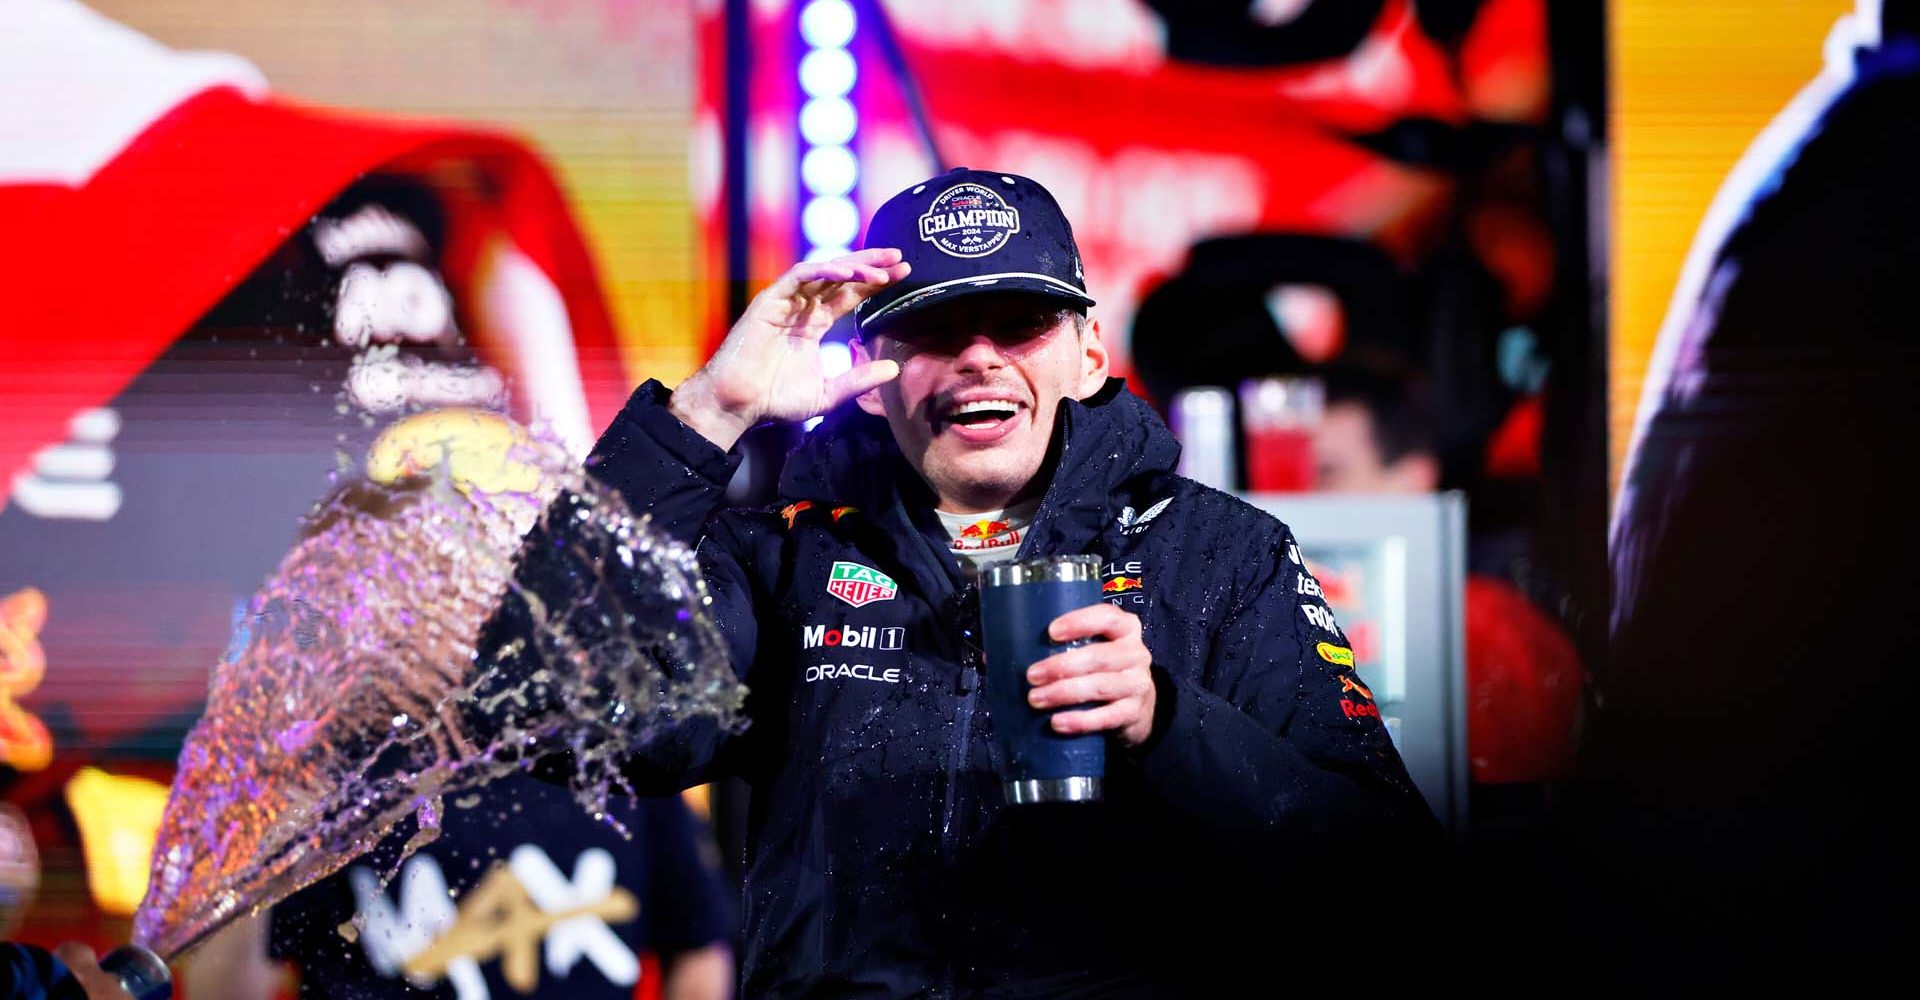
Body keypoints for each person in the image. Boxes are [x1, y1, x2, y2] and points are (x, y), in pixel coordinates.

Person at [495, 168, 1440, 997]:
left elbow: (1386, 883)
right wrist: (710, 409)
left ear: (1090, 352)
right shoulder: (781, 559)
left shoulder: (1224, 556)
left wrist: (1166, 720)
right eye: (936, 327)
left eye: (1021, 322)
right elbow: (542, 713)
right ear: (874, 365)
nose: (980, 355)